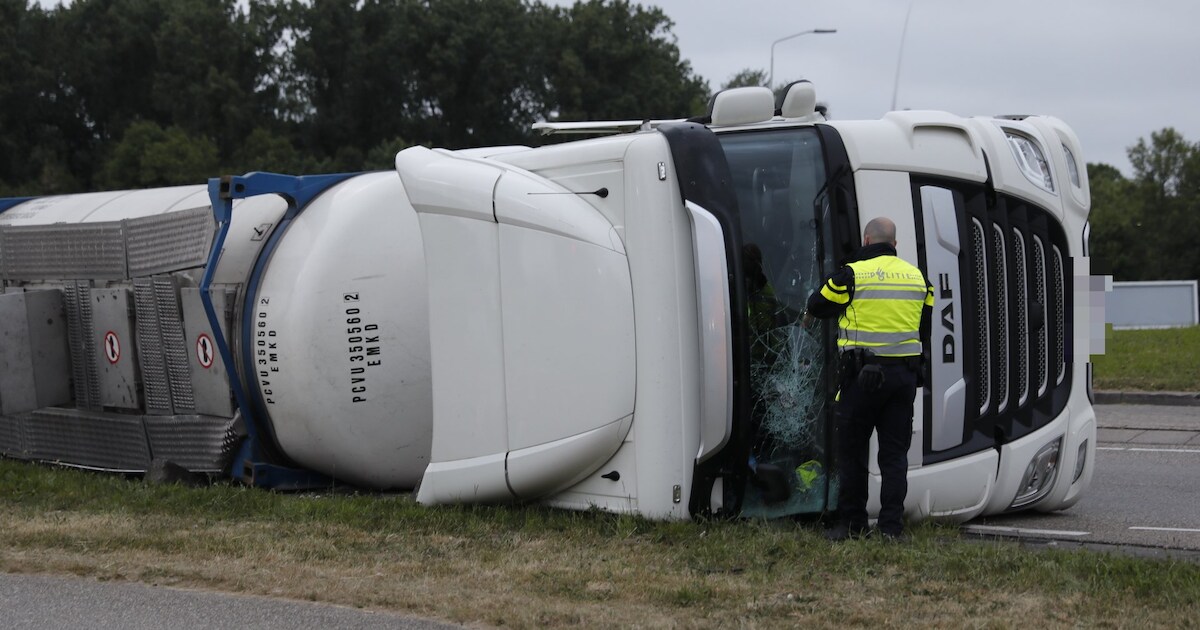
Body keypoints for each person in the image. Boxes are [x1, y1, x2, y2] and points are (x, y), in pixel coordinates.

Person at [803, 217, 933, 541]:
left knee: (852, 453)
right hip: (903, 379)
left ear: (866, 240)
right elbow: (924, 329)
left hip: (861, 379)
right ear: (895, 245)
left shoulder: (851, 275)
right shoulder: (919, 280)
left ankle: (853, 525)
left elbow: (817, 304)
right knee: (894, 456)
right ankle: (890, 528)